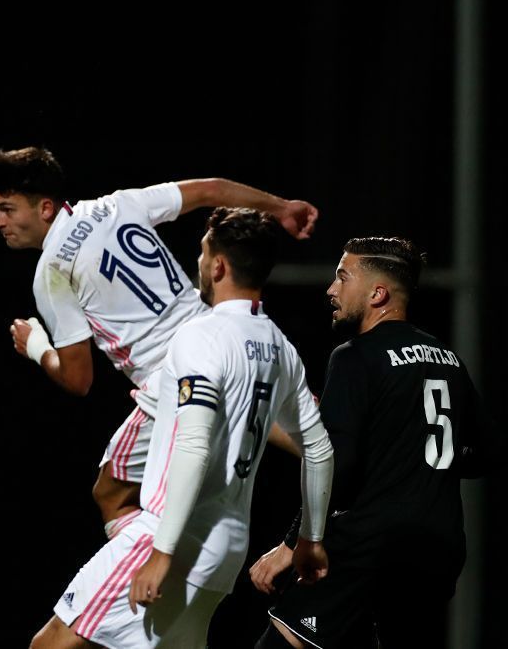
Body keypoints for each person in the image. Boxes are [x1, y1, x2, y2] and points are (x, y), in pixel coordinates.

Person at [29, 207, 334, 649]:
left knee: (50, 645)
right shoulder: (279, 348)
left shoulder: (201, 337)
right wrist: (311, 538)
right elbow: (320, 449)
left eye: (202, 252)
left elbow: (193, 444)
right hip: (227, 546)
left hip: (173, 534)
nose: (198, 264)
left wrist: (161, 553)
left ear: (218, 265)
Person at [0, 146, 316, 537]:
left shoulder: (52, 270)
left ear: (44, 208)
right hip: (221, 335)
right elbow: (210, 189)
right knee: (316, 437)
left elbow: (79, 380)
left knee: (111, 495)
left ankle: (152, 583)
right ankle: (377, 461)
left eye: (7, 209)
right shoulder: (118, 205)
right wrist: (280, 207)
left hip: (172, 377)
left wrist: (37, 346)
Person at [250, 237, 498, 649]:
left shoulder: (354, 356)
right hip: (439, 549)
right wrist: (426, 455)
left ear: (377, 293)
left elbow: (336, 464)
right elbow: (491, 452)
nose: (331, 289)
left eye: (342, 277)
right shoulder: (448, 358)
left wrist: (294, 544)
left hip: (369, 543)